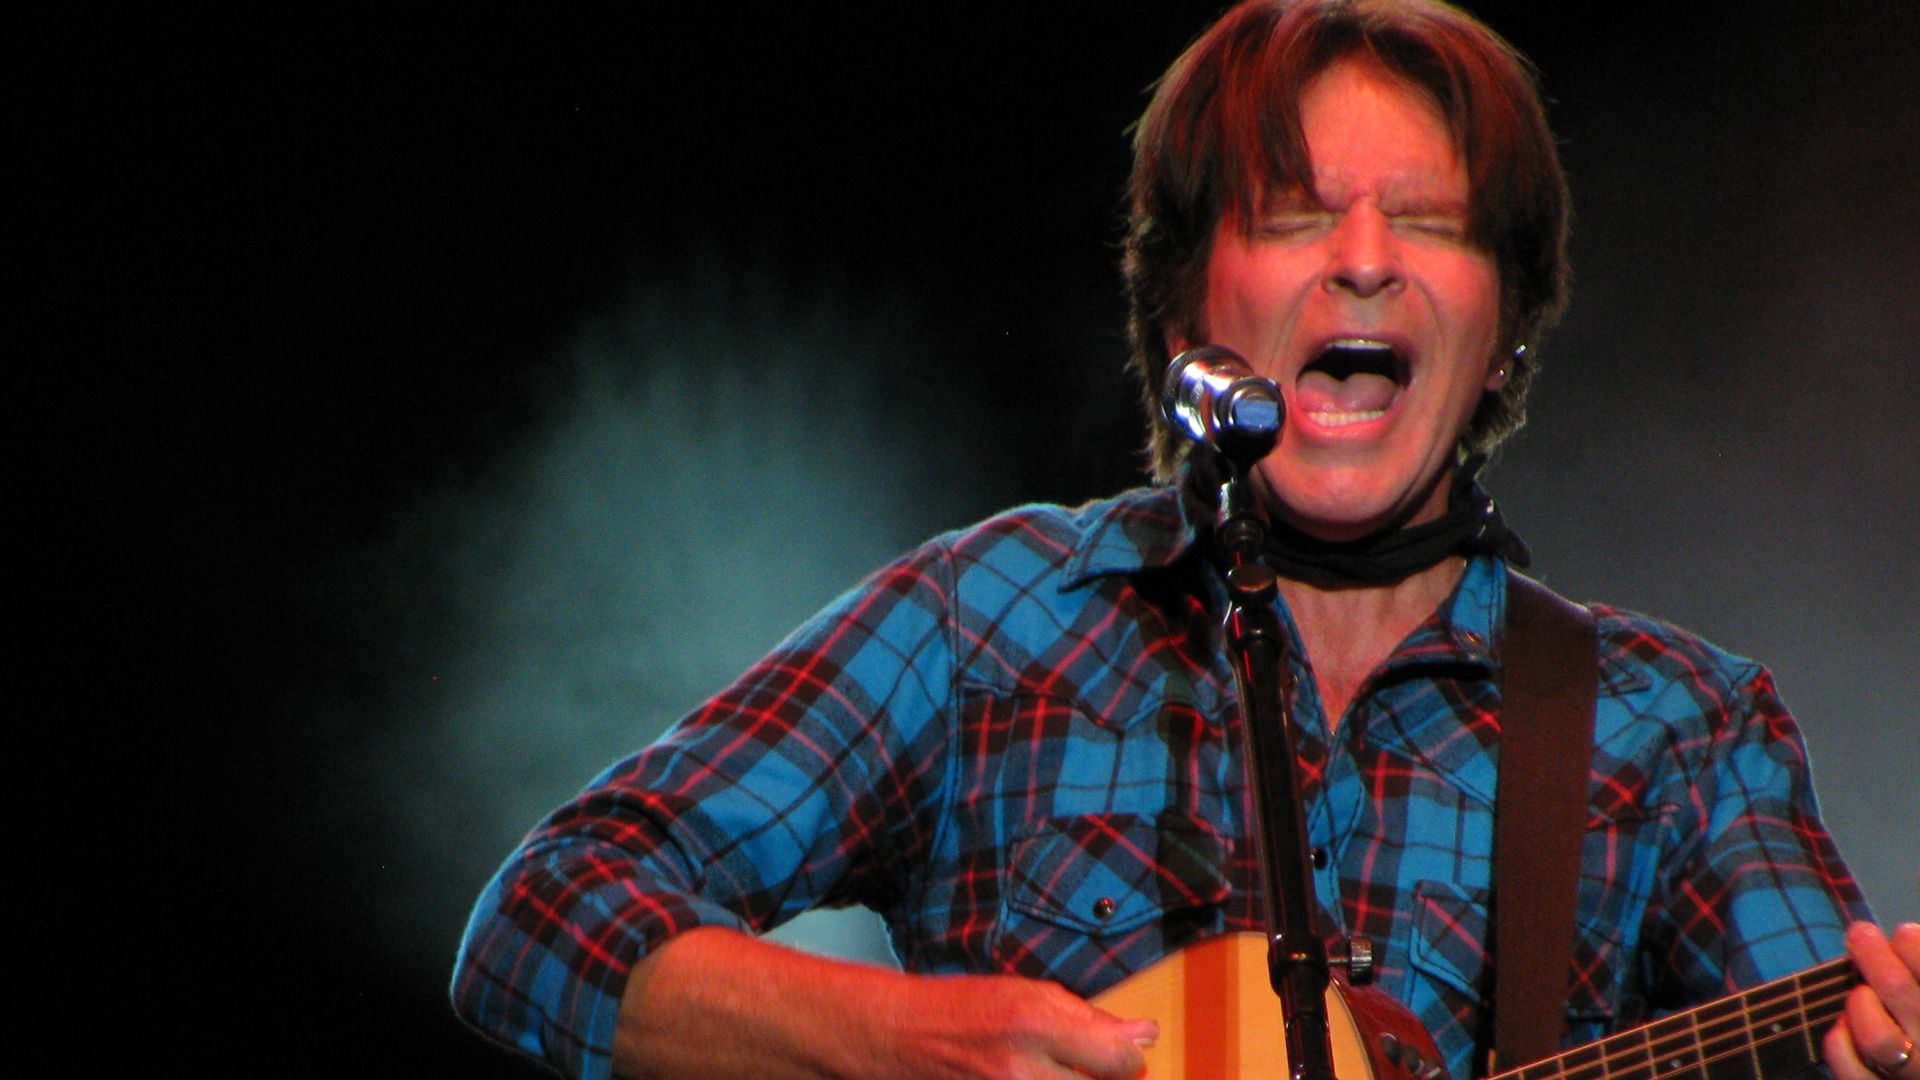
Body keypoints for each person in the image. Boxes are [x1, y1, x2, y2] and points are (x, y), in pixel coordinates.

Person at [451, 2, 1919, 1078]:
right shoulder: (996, 619)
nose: (1362, 257)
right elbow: (544, 921)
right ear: (1183, 315)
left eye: (1429, 220)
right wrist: (904, 1042)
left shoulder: (1676, 731)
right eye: (1294, 215)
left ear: (1504, 340)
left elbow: (1826, 1022)